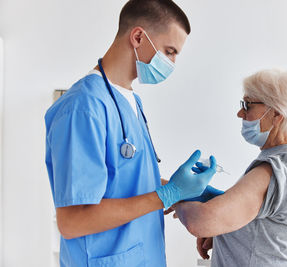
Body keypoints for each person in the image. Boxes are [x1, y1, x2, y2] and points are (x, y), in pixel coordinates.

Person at [44, 0, 217, 266]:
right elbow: (73, 221)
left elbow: (122, 182)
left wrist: (182, 189)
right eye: (169, 52)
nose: (171, 63)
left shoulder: (130, 101)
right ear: (138, 37)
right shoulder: (83, 108)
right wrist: (166, 195)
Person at [168, 69, 287, 267]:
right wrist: (228, 232)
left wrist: (174, 197)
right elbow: (262, 215)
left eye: (247, 105)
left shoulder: (274, 169)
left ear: (276, 114)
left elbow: (202, 222)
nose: (240, 113)